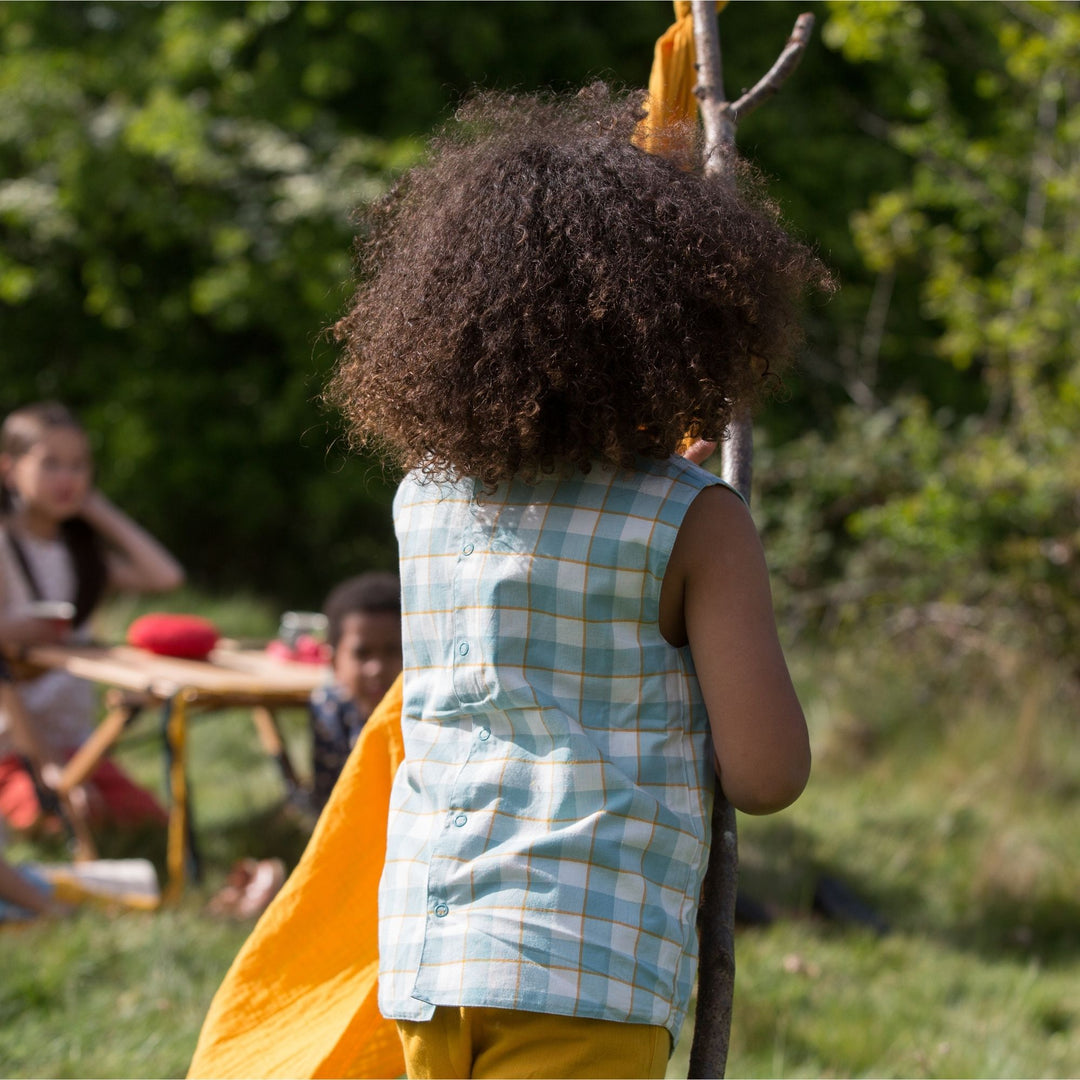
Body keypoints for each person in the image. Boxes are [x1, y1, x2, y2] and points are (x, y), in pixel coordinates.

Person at [325, 86, 830, 1079]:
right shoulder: (695, 521)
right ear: (689, 333)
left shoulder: (425, 499)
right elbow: (767, 776)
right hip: (587, 961)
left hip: (430, 952)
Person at [0, 401, 184, 831]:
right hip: (14, 746)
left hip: (78, 744)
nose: (67, 479)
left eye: (79, 466)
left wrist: (97, 509)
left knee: (150, 822)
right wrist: (15, 631)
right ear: (9, 470)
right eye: (51, 465)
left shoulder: (80, 555)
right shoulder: (5, 547)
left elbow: (165, 576)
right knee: (55, 820)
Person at [309, 572, 402, 811]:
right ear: (332, 660)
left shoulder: (426, 716)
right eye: (362, 653)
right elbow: (330, 803)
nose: (377, 668)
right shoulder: (328, 710)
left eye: (392, 651)